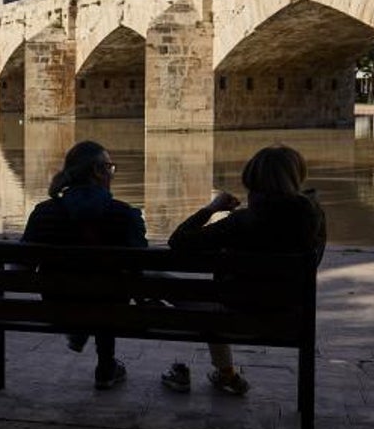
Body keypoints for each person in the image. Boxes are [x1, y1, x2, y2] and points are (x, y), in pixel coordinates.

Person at [161, 145, 326, 396]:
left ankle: (225, 372)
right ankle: (226, 374)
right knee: (219, 304)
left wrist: (212, 208)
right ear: (296, 176)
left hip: (234, 317)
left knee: (162, 281)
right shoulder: (314, 218)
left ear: (252, 180)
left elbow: (179, 241)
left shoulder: (241, 222)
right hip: (290, 318)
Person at [22, 140, 147, 389]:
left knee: (92, 287)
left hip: (58, 307)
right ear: (98, 172)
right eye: (110, 168)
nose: (112, 174)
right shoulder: (124, 215)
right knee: (108, 288)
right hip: (114, 309)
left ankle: (83, 335)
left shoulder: (43, 214)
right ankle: (105, 365)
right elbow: (140, 269)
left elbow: (22, 266)